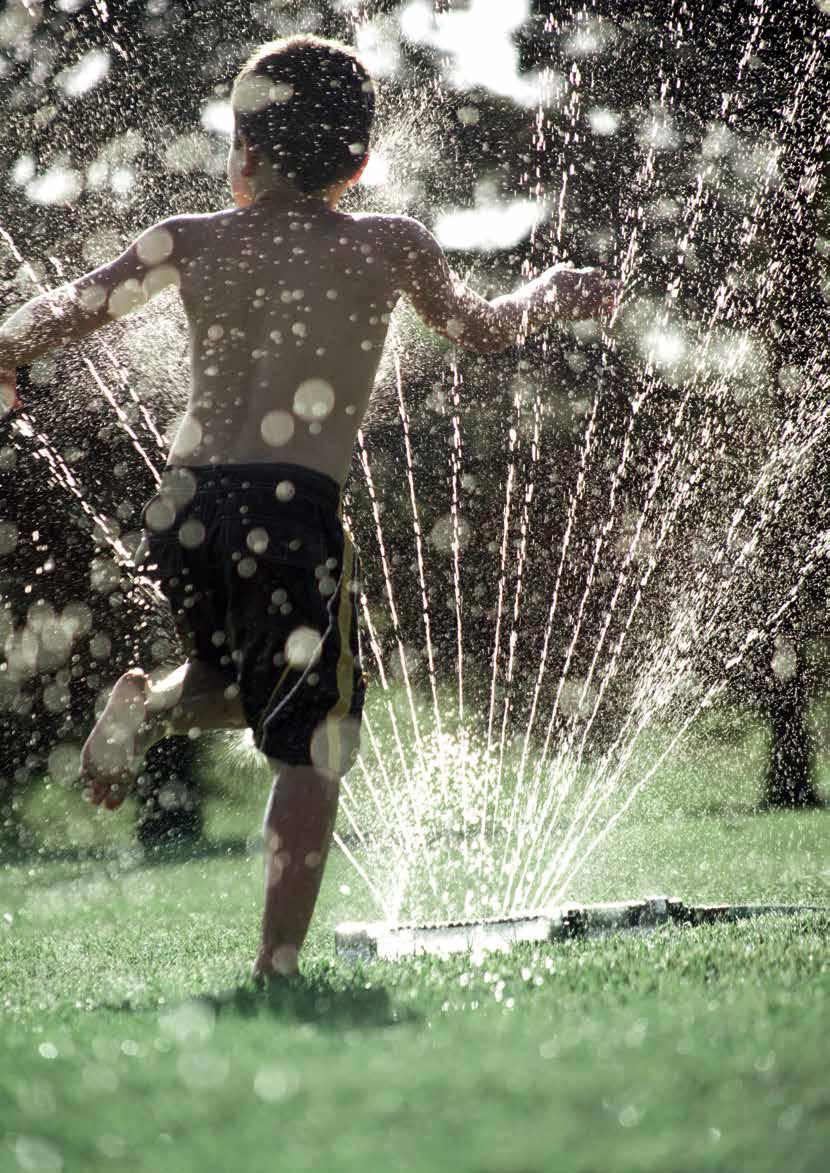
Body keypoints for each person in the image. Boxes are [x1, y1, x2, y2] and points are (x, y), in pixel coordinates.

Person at [0, 34, 616, 981]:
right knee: (316, 743)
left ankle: (145, 705)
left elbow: (58, 316)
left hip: (187, 504)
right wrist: (547, 290)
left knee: (239, 686)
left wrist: (6, 357)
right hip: (290, 507)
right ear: (360, 161)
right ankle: (278, 964)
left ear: (244, 150)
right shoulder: (388, 244)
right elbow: (482, 329)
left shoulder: (191, 237)